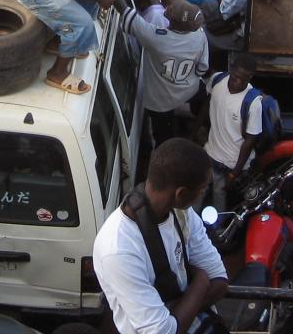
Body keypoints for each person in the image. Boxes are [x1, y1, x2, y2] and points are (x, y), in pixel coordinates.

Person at [92, 138, 228, 334]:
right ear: (181, 193)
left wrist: (178, 313)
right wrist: (200, 282)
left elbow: (220, 281)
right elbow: (164, 332)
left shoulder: (182, 214)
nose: (202, 195)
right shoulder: (119, 249)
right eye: (202, 189)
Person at [102, 0, 208, 145]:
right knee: (204, 95)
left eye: (174, 9)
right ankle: (199, 125)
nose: (170, 7)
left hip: (161, 101)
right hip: (188, 90)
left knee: (163, 137)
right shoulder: (199, 35)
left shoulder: (157, 37)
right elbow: (202, 69)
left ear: (176, 22)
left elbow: (123, 8)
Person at [204, 54, 262, 210]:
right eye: (236, 76)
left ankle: (218, 230)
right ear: (231, 69)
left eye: (245, 79)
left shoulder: (253, 103)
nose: (240, 82)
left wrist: (234, 174)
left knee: (220, 196)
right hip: (211, 153)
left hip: (232, 164)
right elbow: (209, 103)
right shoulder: (217, 80)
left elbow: (250, 140)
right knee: (199, 189)